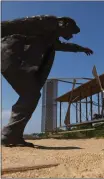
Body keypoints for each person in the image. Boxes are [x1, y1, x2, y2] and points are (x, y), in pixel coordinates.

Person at [1, 15, 93, 147]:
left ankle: (11, 134)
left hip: (12, 61)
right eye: (71, 32)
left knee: (30, 95)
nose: (71, 36)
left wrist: (81, 49)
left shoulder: (50, 38)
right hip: (11, 57)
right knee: (31, 95)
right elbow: (17, 23)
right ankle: (10, 134)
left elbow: (64, 46)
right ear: (63, 23)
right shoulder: (48, 22)